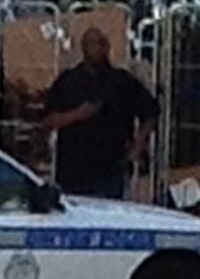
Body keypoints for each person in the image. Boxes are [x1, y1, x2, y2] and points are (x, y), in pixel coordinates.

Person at [42, 28, 159, 200]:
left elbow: (151, 112)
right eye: (92, 44)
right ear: (83, 48)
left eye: (101, 43)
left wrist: (137, 148)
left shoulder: (122, 81)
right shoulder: (68, 81)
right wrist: (76, 115)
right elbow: (47, 121)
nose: (97, 48)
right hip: (73, 168)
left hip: (110, 167)